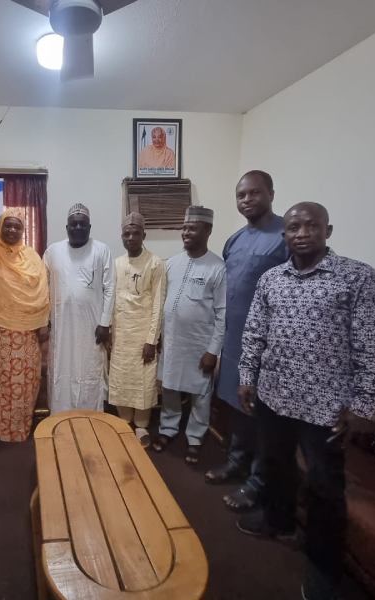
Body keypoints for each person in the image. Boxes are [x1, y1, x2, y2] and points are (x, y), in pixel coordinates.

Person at [235, 202, 375, 600]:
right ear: (284, 234)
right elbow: (255, 333)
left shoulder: (358, 278)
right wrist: (246, 378)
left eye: (311, 225)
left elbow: (374, 348)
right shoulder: (272, 279)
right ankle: (278, 522)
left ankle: (323, 568)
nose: (302, 233)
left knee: (325, 488)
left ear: (328, 230)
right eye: (293, 227)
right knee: (276, 465)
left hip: (326, 409)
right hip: (274, 396)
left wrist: (364, 404)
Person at [208, 170, 288, 512]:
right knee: (238, 408)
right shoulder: (235, 239)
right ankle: (236, 462)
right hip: (235, 339)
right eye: (241, 195)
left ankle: (257, 482)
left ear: (271, 193)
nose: (247, 200)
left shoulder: (286, 235)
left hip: (268, 346)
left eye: (254, 193)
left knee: (261, 414)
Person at [153, 206, 226, 464]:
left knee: (200, 393)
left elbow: (222, 313)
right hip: (172, 341)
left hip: (199, 344)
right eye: (184, 228)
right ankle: (168, 430)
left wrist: (213, 351)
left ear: (208, 231)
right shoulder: (171, 263)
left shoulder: (217, 267)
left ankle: (195, 438)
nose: (186, 233)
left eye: (192, 228)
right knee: (170, 388)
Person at [0, 208, 50, 442]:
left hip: (28, 333)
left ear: (23, 230)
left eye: (17, 226)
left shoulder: (32, 257)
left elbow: (42, 292)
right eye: (8, 225)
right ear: (0, 227)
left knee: (26, 382)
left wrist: (43, 322)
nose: (12, 230)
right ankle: (0, 429)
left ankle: (21, 427)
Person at [43, 203, 115, 413]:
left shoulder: (102, 250)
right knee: (60, 370)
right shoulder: (52, 251)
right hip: (61, 326)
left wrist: (105, 323)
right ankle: (60, 416)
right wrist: (44, 319)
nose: (77, 228)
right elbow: (41, 287)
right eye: (73, 225)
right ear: (66, 228)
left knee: (90, 369)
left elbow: (110, 288)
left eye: (82, 225)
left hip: (92, 328)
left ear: (89, 227)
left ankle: (90, 419)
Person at [108, 212, 166, 447]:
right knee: (121, 380)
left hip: (143, 335)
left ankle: (141, 427)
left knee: (143, 382)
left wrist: (151, 340)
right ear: (122, 236)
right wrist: (110, 333)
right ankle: (124, 423)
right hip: (121, 335)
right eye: (126, 233)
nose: (130, 237)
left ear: (144, 235)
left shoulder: (156, 263)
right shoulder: (117, 263)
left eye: (135, 233)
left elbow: (158, 304)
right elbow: (112, 301)